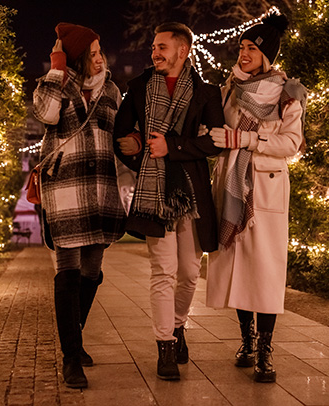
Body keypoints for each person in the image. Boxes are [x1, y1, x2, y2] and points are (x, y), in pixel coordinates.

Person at [113, 22, 224, 380]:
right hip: (153, 192)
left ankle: (178, 328)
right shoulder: (141, 87)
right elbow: (121, 134)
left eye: (162, 47)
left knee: (190, 273)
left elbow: (216, 142)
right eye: (153, 48)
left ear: (183, 50)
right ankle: (165, 346)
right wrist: (144, 151)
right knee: (164, 272)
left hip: (191, 193)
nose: (155, 53)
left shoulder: (207, 94)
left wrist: (171, 147)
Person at [206, 12, 307, 383]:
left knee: (264, 270)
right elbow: (215, 129)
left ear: (268, 56)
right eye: (243, 47)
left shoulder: (287, 93)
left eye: (252, 48)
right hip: (231, 186)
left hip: (265, 188)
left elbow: (292, 144)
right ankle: (246, 340)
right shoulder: (230, 89)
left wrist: (247, 140)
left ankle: (265, 349)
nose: (244, 53)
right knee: (237, 265)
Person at [33, 23, 126, 389]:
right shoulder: (52, 86)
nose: (100, 57)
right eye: (92, 52)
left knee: (93, 271)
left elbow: (117, 135)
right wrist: (57, 67)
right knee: (68, 270)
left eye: (100, 50)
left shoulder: (113, 91)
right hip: (66, 187)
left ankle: (75, 334)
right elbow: (47, 116)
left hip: (102, 187)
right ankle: (72, 356)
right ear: (76, 57)